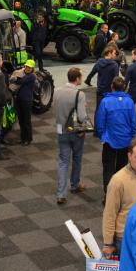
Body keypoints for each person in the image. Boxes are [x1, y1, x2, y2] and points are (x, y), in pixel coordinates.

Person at [96, 77, 136, 194]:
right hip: (125, 141)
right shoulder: (129, 102)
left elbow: (100, 123)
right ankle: (120, 195)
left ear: (112, 87)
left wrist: (102, 136)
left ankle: (108, 195)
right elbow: (134, 122)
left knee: (108, 169)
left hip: (109, 141)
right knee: (122, 170)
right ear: (124, 88)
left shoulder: (105, 101)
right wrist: (131, 135)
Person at [53, 68, 88, 205]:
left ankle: (61, 194)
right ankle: (75, 184)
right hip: (75, 132)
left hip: (61, 129)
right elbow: (81, 117)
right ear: (77, 79)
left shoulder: (57, 91)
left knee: (63, 161)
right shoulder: (80, 94)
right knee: (77, 158)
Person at [12, 60, 36, 146]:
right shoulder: (25, 75)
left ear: (32, 68)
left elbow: (19, 81)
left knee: (26, 121)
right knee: (21, 121)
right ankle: (23, 138)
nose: (27, 68)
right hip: (19, 100)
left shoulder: (31, 76)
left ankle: (28, 139)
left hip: (26, 101)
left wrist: (13, 77)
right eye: (26, 66)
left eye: (29, 67)